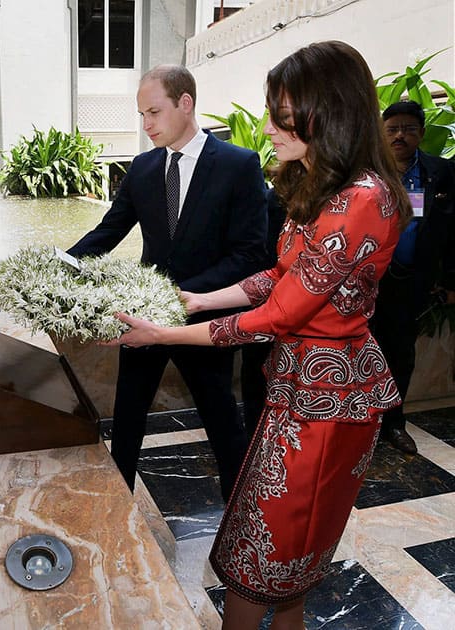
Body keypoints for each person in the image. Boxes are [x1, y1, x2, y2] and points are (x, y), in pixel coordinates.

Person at [109, 41, 411, 628]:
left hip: (327, 408)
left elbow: (279, 315)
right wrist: (196, 299)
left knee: (263, 563)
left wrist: (168, 332)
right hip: (293, 393)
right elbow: (277, 276)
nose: (268, 127)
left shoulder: (364, 200)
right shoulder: (324, 185)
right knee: (274, 556)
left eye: (282, 113)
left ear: (330, 110)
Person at [66, 65, 269, 501]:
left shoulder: (238, 165)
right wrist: (59, 267)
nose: (146, 125)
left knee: (220, 417)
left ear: (186, 103)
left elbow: (251, 254)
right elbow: (108, 231)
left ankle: (239, 513)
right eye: (142, 115)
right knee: (128, 415)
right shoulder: (141, 168)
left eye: (154, 112)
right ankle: (118, 500)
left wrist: (186, 296)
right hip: (143, 317)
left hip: (207, 320)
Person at [369, 101, 455, 455]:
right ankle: (363, 425)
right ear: (382, 134)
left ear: (421, 132)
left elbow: (451, 231)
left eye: (408, 128)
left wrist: (449, 281)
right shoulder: (369, 170)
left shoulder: (442, 173)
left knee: (401, 353)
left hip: (410, 282)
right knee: (363, 354)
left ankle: (394, 423)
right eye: (392, 129)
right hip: (366, 283)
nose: (400, 135)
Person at [239, 187, 287, 437]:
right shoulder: (278, 195)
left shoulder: (357, 197)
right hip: (266, 301)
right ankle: (255, 432)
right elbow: (268, 260)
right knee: (256, 370)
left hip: (315, 326)